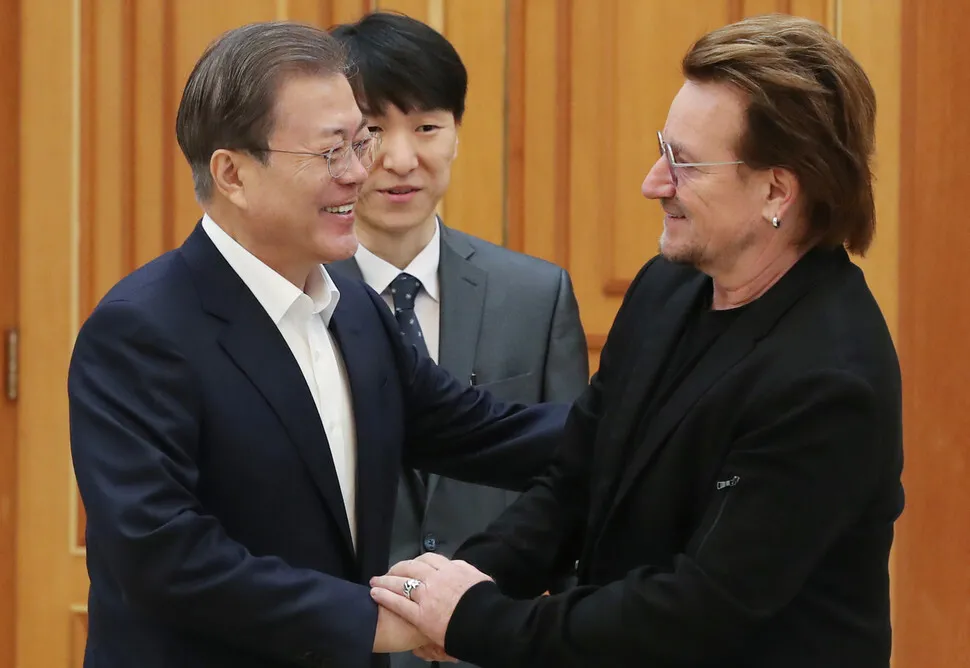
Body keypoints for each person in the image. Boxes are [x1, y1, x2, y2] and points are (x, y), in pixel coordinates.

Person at [371, 14, 905, 668]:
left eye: (685, 162)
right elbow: (575, 479)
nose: (655, 181)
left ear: (777, 189)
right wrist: (458, 589)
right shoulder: (666, 288)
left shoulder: (827, 379)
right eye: (663, 147)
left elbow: (697, 609)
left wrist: (481, 622)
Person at [67, 21, 569, 668]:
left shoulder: (353, 307)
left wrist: (663, 422)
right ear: (233, 174)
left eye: (358, 143)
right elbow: (162, 553)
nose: (362, 172)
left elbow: (485, 432)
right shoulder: (142, 330)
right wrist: (369, 621)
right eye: (332, 152)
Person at [326, 15, 588, 668]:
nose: (400, 159)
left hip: (491, 646)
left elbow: (579, 483)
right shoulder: (298, 302)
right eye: (372, 132)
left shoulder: (537, 294)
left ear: (458, 132)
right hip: (343, 643)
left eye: (427, 127)